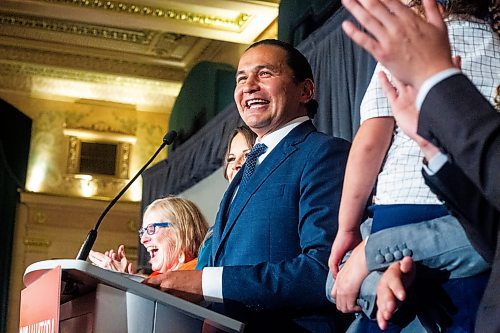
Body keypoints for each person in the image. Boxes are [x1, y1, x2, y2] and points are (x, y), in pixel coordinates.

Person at [143, 39, 352, 332]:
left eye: (264, 74)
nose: (249, 86)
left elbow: (323, 271)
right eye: (241, 78)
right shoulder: (246, 169)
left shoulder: (324, 154)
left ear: (305, 90)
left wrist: (206, 283)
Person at [329, 0, 496, 330]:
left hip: (402, 205)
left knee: (384, 313)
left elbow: (370, 141)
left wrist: (347, 228)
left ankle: (387, 278)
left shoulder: (404, 54)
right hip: (474, 218)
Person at [89, 196, 209, 275]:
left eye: (151, 229)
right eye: (143, 231)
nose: (143, 240)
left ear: (181, 231)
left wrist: (125, 280)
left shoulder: (200, 275)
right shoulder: (154, 278)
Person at [196, 125, 257, 270]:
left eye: (247, 155)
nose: (236, 164)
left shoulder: (262, 219)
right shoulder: (215, 230)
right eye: (231, 158)